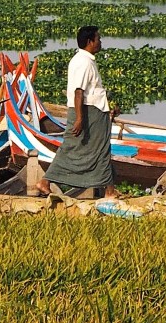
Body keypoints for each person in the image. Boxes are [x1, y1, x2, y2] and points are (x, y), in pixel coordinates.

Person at [43, 25, 119, 200]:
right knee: (74, 147)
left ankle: (109, 190)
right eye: (98, 39)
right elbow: (79, 92)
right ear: (90, 42)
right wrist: (79, 119)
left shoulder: (87, 61)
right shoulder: (83, 62)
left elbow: (91, 91)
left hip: (95, 111)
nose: (100, 42)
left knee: (101, 149)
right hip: (87, 112)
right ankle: (46, 181)